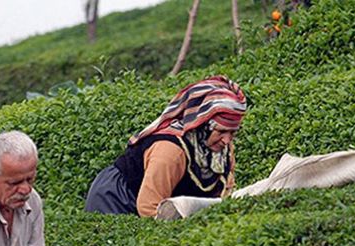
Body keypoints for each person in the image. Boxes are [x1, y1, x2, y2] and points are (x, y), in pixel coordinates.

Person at [84, 75, 247, 217]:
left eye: (232, 133)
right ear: (202, 125)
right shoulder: (171, 151)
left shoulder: (220, 148)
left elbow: (225, 195)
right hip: (116, 198)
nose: (227, 140)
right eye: (221, 131)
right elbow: (149, 208)